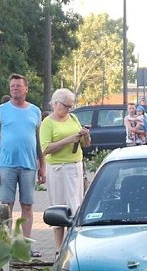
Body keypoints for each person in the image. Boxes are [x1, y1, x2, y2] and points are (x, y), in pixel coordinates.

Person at [0, 73, 46, 257]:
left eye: (19, 86)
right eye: (12, 86)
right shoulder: (1, 110)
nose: (15, 89)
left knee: (27, 205)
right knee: (6, 206)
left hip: (29, 165)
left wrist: (42, 165)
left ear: (26, 89)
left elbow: (39, 140)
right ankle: (5, 245)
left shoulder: (35, 111)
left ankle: (24, 246)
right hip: (6, 165)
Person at [40, 88, 91, 249]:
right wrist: (68, 140)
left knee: (75, 205)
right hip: (57, 168)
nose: (68, 109)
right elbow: (46, 148)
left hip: (75, 166)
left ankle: (73, 245)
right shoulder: (47, 123)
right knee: (59, 207)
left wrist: (85, 135)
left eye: (70, 106)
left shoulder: (73, 118)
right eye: (66, 106)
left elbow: (86, 144)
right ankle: (58, 248)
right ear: (55, 104)